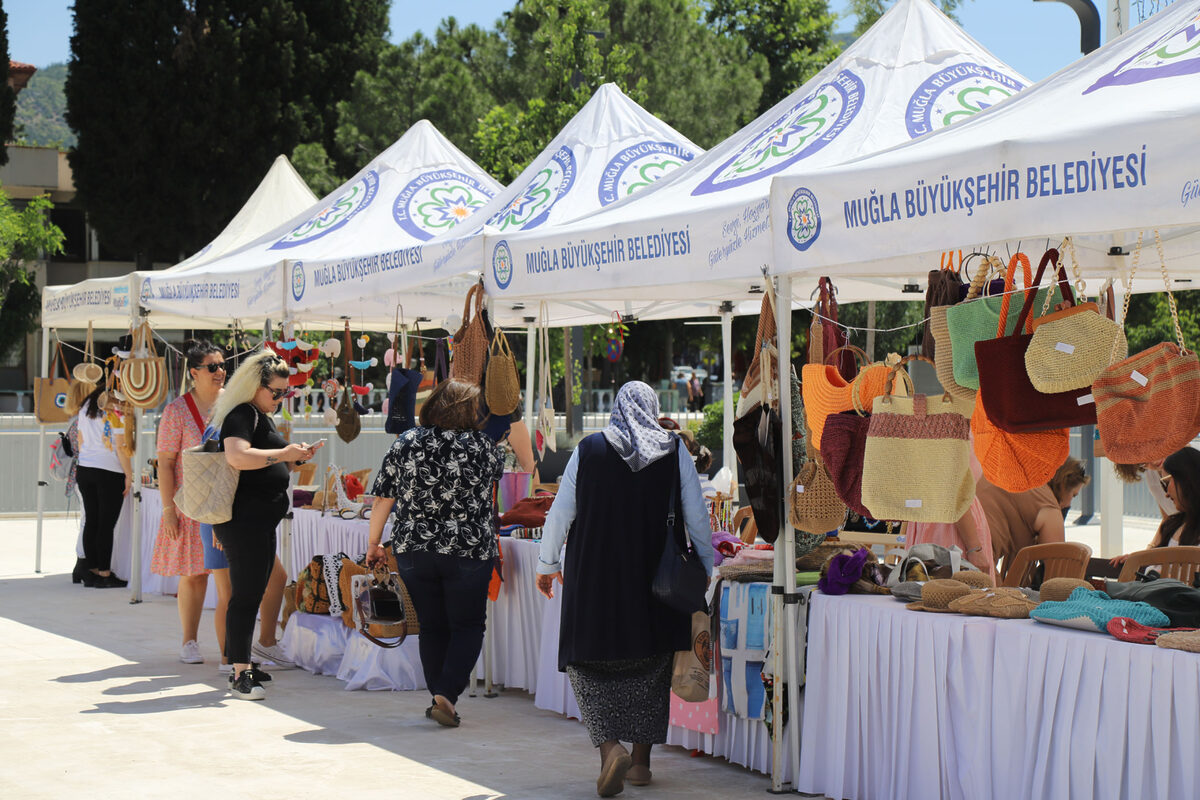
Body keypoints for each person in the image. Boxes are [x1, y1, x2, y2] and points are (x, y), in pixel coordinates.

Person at [536, 381, 714, 797]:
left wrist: (547, 564)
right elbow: (697, 516)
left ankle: (608, 749)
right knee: (651, 666)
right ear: (651, 409)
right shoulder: (673, 451)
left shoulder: (590, 449)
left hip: (594, 577)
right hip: (658, 581)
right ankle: (640, 763)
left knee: (585, 665)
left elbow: (560, 513)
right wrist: (704, 566)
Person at [365, 379, 504, 728]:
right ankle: (446, 695)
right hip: (470, 548)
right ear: (467, 410)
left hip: (415, 548)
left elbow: (384, 497)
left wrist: (373, 543)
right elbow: (490, 494)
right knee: (468, 624)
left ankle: (440, 695)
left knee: (432, 625)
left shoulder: (407, 441)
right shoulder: (486, 447)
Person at [211, 350, 322, 700]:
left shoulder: (260, 415)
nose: (279, 398)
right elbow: (237, 456)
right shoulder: (242, 414)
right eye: (275, 392)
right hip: (245, 522)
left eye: (284, 393)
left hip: (257, 522)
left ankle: (243, 659)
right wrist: (284, 455)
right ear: (254, 386)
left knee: (258, 588)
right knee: (245, 596)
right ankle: (239, 671)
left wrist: (296, 453)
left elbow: (270, 454)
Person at [152, 340, 224, 663]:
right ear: (194, 372)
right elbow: (165, 463)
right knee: (194, 574)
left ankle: (232, 649)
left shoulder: (233, 406)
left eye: (222, 365)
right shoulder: (176, 411)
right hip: (192, 505)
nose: (220, 371)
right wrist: (169, 510)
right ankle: (189, 641)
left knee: (227, 577)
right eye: (212, 367)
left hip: (225, 503)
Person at [976, 457, 1089, 579]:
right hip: (980, 559)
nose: (1069, 504)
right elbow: (1057, 566)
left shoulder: (1018, 474)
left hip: (962, 538)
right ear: (1062, 485)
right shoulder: (1049, 507)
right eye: (1073, 495)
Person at [74, 374, 132, 588]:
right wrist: (129, 474)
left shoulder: (86, 405)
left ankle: (92, 571)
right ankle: (105, 574)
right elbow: (120, 447)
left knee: (92, 521)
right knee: (106, 525)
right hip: (109, 470)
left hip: (85, 467)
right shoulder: (117, 408)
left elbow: (79, 438)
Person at [908, 451, 995, 577]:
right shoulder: (955, 433)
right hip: (952, 521)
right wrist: (974, 548)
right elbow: (954, 491)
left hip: (933, 514)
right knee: (956, 589)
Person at [1111, 447, 1200, 566]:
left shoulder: (1189, 459)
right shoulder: (1152, 475)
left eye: (1151, 451)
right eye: (1143, 462)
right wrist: (1142, 557)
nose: (1152, 462)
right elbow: (1167, 520)